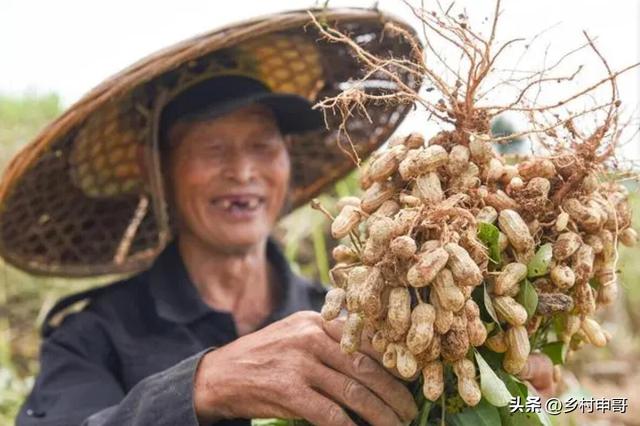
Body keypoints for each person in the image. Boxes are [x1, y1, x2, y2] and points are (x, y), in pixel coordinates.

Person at [8, 9, 555, 426]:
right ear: (160, 173)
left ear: (289, 165)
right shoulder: (92, 335)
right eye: (213, 149)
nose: (243, 170)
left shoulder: (356, 317)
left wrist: (525, 401)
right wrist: (202, 386)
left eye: (263, 145)